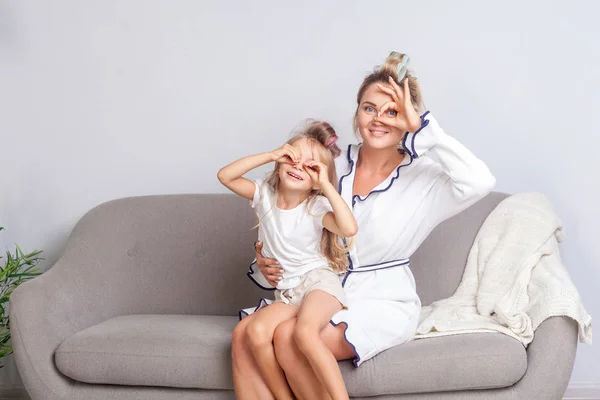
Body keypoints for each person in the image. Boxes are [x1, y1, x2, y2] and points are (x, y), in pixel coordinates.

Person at [232, 51, 496, 399]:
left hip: (380, 300)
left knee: (288, 339)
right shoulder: (330, 165)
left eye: (393, 112)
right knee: (243, 338)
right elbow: (285, 218)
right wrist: (265, 263)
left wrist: (423, 129)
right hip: (316, 290)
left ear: (408, 118)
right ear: (357, 112)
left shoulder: (425, 179)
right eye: (370, 108)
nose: (379, 119)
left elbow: (480, 181)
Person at [218, 120, 358, 400]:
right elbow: (226, 176)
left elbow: (348, 228)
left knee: (305, 333)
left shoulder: (316, 205)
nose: (298, 167)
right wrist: (270, 155)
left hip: (319, 284)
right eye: (293, 159)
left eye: (311, 166)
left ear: (317, 179)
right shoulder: (264, 196)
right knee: (255, 332)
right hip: (288, 293)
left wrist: (326, 185)